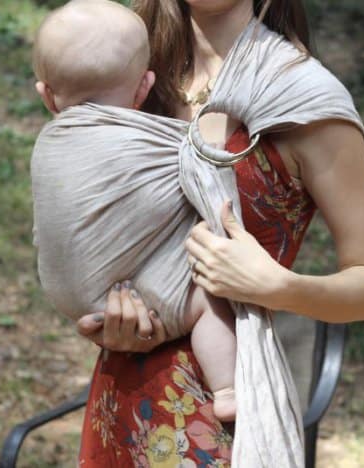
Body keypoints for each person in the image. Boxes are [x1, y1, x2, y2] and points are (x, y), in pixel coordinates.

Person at [72, 0, 364, 465]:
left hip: (225, 420)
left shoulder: (303, 98)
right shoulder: (127, 73)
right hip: (119, 400)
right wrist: (111, 316)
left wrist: (278, 287)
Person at [31, 0, 238, 422]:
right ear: (144, 88)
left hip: (74, 298)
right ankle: (229, 388)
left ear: (46, 95)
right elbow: (203, 158)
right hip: (149, 303)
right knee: (206, 301)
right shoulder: (160, 139)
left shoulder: (48, 145)